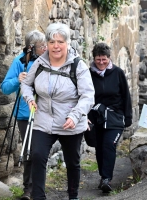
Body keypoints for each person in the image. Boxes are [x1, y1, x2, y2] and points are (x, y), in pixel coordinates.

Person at [20, 23, 95, 200]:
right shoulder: (39, 63)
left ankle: (73, 196)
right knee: (37, 155)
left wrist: (75, 116)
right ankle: (38, 197)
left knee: (72, 162)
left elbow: (88, 96)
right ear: (46, 44)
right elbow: (26, 84)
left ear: (67, 43)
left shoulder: (78, 66)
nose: (56, 46)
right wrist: (30, 98)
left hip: (70, 121)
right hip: (44, 119)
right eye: (52, 41)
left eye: (60, 41)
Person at [0, 30, 47, 200]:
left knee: (39, 152)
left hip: (46, 114)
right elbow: (5, 88)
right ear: (31, 47)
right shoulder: (20, 62)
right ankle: (29, 189)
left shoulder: (49, 60)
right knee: (29, 152)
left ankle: (37, 187)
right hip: (25, 115)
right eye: (42, 46)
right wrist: (17, 80)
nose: (46, 48)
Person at [88, 43, 132, 193]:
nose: (101, 63)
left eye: (104, 59)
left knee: (108, 144)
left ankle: (107, 178)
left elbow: (126, 95)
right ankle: (103, 177)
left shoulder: (118, 73)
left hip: (115, 116)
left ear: (109, 58)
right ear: (94, 59)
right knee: (99, 147)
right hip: (97, 117)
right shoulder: (88, 75)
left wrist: (128, 117)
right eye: (98, 60)